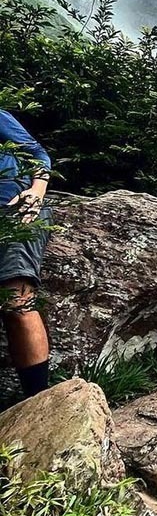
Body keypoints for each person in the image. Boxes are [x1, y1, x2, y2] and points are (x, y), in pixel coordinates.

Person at [0, 108, 52, 400]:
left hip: (16, 211)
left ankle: (38, 403)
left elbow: (37, 153)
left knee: (16, 302)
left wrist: (36, 191)